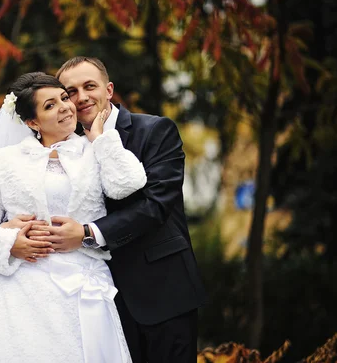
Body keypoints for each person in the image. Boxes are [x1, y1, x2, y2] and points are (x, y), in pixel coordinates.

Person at [0, 72, 148, 363]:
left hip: (84, 288)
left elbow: (129, 182)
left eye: (64, 98)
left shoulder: (94, 150)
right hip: (22, 291)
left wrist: (102, 140)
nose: (65, 107)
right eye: (49, 106)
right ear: (32, 123)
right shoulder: (8, 160)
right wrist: (10, 241)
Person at [23, 57, 207, 363]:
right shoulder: (67, 148)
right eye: (70, 92)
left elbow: (155, 205)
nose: (81, 97)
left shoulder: (156, 131)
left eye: (89, 86)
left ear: (109, 90)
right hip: (100, 303)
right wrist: (11, 227)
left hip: (163, 291)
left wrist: (86, 234)